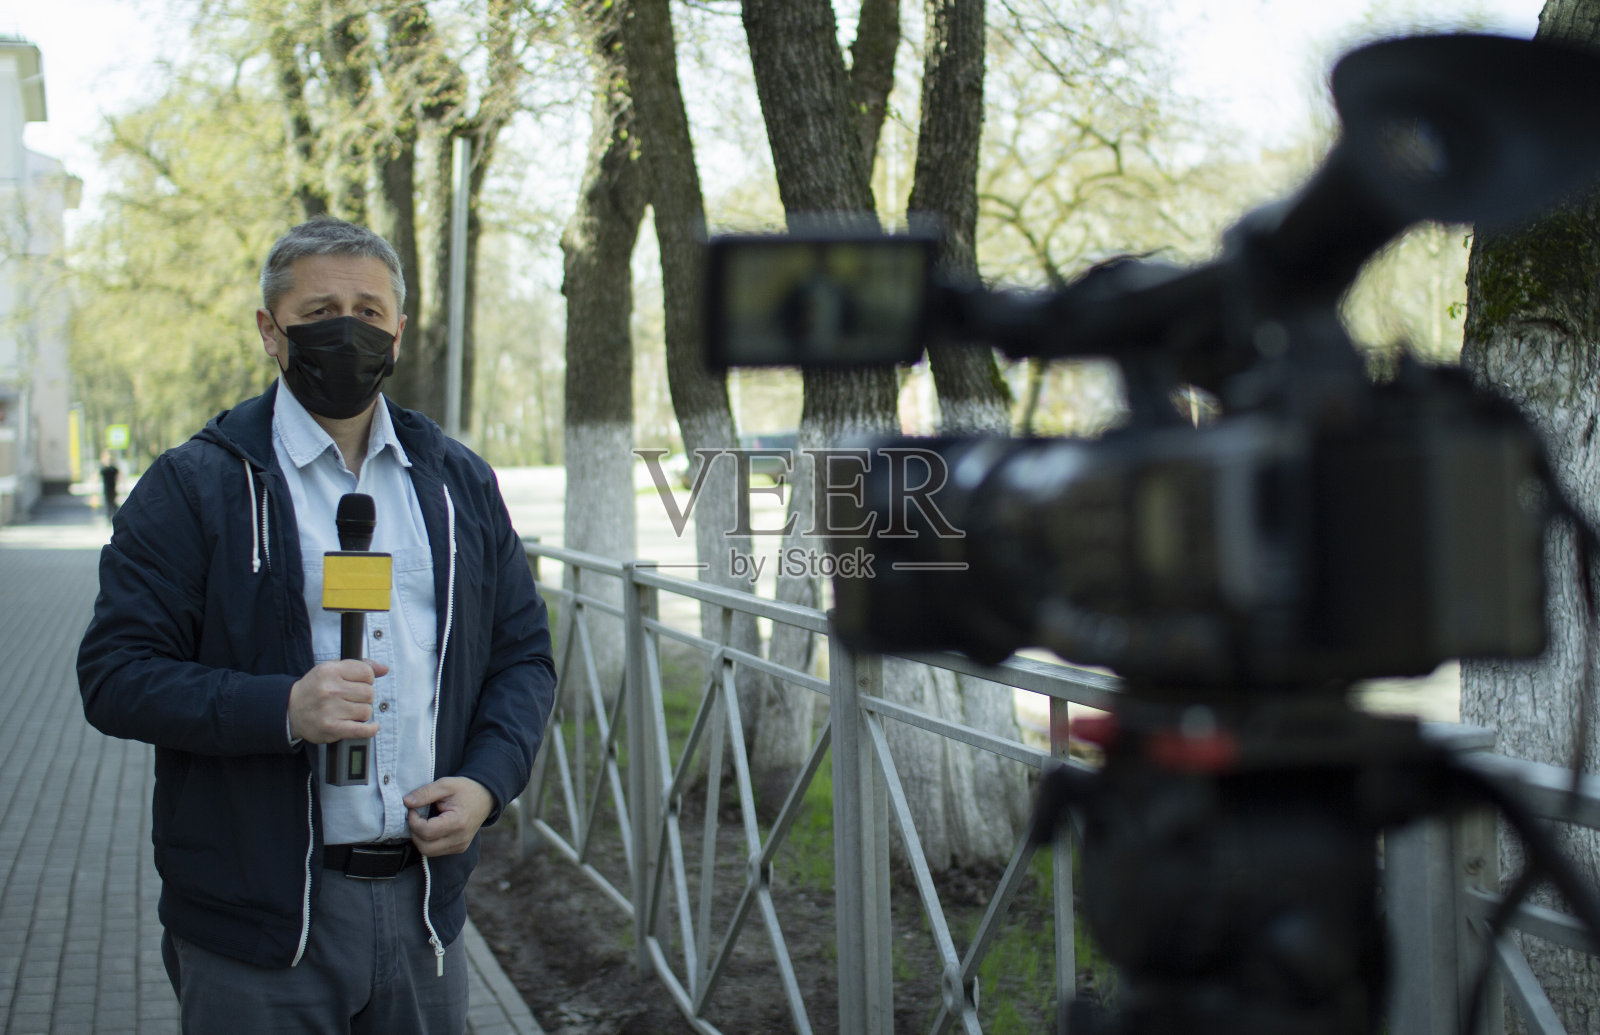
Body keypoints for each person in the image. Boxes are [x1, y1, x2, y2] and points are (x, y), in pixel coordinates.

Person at [77, 217, 556, 1033]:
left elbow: (523, 657)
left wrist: (486, 781)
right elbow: (115, 675)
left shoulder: (457, 482)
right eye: (320, 309)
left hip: (424, 913)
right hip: (257, 927)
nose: (348, 329)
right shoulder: (196, 485)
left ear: (399, 331)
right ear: (271, 330)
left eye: (370, 312)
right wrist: (282, 709)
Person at [98, 450, 119, 519]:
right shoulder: (104, 469)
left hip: (113, 487)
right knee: (108, 503)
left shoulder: (113, 469)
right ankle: (109, 516)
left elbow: (118, 476)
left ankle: (114, 514)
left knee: (113, 502)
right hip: (106, 488)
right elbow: (97, 476)